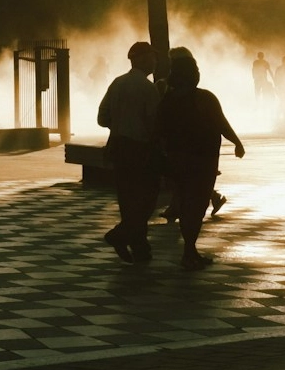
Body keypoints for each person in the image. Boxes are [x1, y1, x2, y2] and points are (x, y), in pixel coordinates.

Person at [157, 47, 245, 269]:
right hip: (202, 160)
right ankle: (189, 251)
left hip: (177, 159)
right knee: (196, 206)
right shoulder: (205, 98)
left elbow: (159, 130)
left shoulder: (167, 100)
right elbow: (221, 123)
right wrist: (236, 142)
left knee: (186, 202)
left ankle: (190, 250)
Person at [97, 41, 161, 263]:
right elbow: (154, 123)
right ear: (142, 59)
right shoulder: (148, 88)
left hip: (118, 147)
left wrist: (120, 124)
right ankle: (120, 235)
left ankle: (139, 246)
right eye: (151, 57)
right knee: (147, 199)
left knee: (127, 199)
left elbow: (102, 117)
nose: (154, 61)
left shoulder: (117, 83)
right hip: (140, 149)